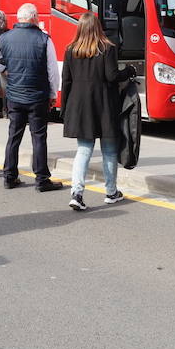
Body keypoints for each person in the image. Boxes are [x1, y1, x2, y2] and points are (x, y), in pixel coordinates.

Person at [0, 3, 63, 192]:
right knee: (39, 137)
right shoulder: (44, 39)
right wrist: (53, 93)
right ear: (34, 18)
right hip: (37, 96)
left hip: (15, 97)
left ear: (19, 19)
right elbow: (52, 71)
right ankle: (42, 179)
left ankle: (10, 177)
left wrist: (3, 69)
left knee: (14, 136)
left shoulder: (5, 38)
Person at [60, 12, 135, 210]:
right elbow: (112, 76)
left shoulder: (71, 50)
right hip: (104, 106)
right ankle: (111, 192)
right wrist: (128, 71)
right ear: (97, 28)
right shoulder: (107, 48)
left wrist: (64, 108)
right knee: (109, 151)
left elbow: (66, 81)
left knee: (83, 151)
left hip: (80, 107)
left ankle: (77, 193)